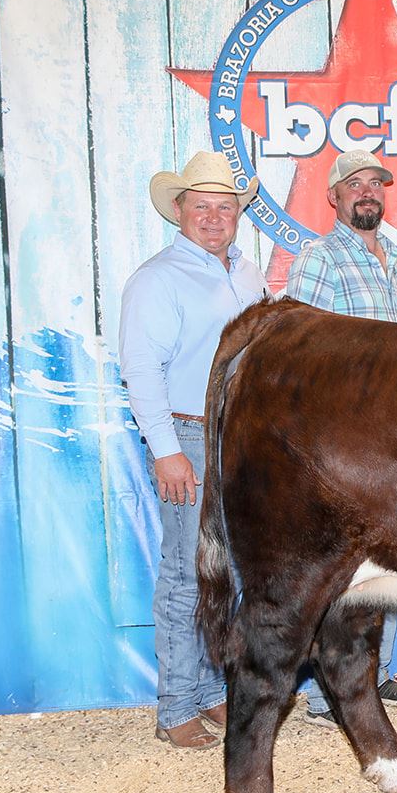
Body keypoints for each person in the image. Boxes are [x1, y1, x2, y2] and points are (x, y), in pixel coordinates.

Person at [120, 151, 266, 749]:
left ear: (238, 214)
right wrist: (165, 450)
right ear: (178, 210)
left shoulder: (249, 274)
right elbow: (142, 371)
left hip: (244, 437)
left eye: (224, 207)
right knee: (185, 571)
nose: (213, 216)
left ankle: (210, 689)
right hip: (188, 434)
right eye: (201, 206)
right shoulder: (157, 279)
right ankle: (176, 703)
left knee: (227, 569)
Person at [285, 149, 397, 718]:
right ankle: (328, 689)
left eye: (375, 183)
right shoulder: (318, 260)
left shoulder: (393, 259)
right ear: (334, 196)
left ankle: (375, 673)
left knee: (384, 560)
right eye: (355, 184)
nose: (367, 191)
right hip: (344, 438)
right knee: (338, 563)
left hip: (394, 436)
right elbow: (302, 352)